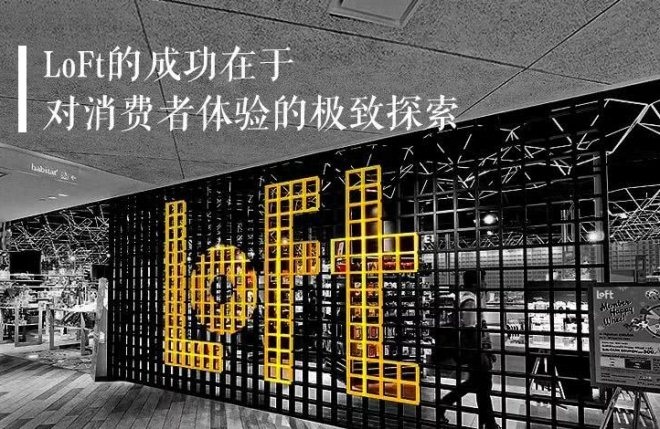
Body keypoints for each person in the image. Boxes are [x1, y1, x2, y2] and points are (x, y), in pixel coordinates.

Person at [438, 269, 499, 429]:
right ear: (474, 283)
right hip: (476, 352)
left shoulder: (469, 297)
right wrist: (482, 353)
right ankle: (489, 423)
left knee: (477, 385)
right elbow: (470, 329)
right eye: (482, 281)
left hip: (477, 351)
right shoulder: (469, 300)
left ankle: (443, 405)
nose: (485, 284)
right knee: (483, 386)